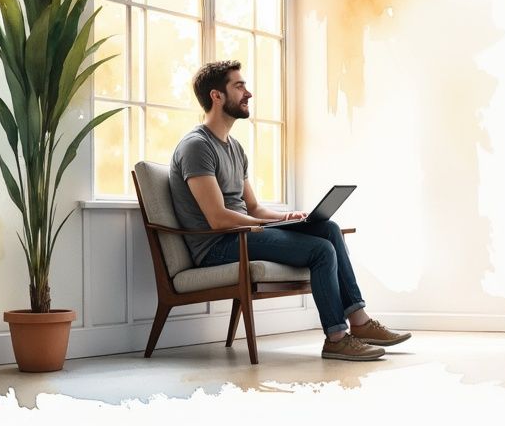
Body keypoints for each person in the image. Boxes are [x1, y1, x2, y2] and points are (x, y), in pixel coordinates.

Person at [169, 60, 411, 361]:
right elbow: (217, 218)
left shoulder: (234, 148)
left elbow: (254, 206)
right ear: (216, 96)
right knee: (321, 250)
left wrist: (287, 218)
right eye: (239, 86)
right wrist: (262, 225)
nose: (249, 93)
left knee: (328, 229)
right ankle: (336, 338)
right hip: (217, 245)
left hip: (243, 233)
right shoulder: (196, 146)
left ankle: (359, 322)